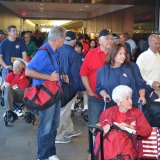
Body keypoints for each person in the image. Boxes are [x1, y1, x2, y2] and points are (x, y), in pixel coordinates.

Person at [25, 26, 66, 160]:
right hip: (45, 95)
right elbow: (28, 72)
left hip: (54, 94)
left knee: (54, 124)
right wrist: (49, 78)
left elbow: (51, 70)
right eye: (64, 38)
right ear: (58, 39)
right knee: (46, 126)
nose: (64, 40)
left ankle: (50, 153)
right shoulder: (43, 52)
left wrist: (61, 77)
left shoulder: (54, 51)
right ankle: (42, 156)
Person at [80, 29, 114, 158]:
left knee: (110, 124)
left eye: (111, 39)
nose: (110, 41)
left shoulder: (114, 54)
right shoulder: (91, 54)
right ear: (99, 41)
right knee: (94, 124)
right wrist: (89, 90)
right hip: (95, 96)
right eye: (107, 39)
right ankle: (92, 151)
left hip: (111, 97)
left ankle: (108, 149)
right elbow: (83, 74)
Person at [94, 85, 152, 160]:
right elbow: (97, 128)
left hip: (130, 151)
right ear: (118, 101)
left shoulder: (137, 113)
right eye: (127, 99)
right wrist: (104, 126)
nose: (131, 101)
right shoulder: (108, 112)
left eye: (130, 98)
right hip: (108, 152)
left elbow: (146, 133)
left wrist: (131, 128)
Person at [55, 31, 83, 144]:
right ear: (74, 41)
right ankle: (58, 135)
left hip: (57, 84)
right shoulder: (74, 54)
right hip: (69, 86)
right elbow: (76, 73)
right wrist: (80, 87)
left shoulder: (57, 49)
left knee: (64, 109)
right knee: (64, 111)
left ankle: (69, 130)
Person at [136, 34, 160, 127]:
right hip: (147, 91)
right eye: (156, 43)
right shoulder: (142, 57)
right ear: (149, 43)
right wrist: (151, 82)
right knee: (151, 117)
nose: (158, 46)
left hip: (157, 91)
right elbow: (138, 76)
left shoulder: (158, 55)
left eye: (159, 43)